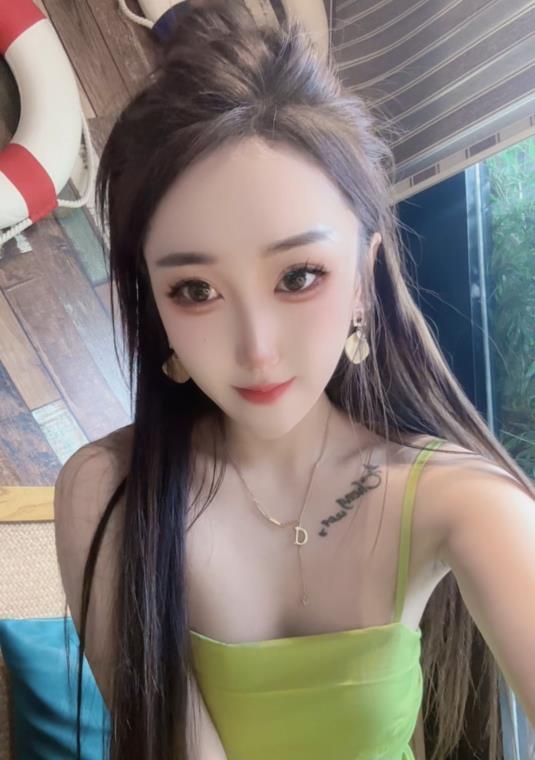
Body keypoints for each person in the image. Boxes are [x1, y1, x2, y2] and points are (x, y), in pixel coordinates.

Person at [53, 5, 535, 760]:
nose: (256, 349)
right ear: (152, 302)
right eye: (195, 291)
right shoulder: (110, 491)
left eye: (299, 275)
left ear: (364, 277)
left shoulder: (461, 496)